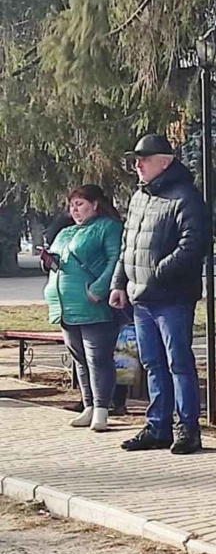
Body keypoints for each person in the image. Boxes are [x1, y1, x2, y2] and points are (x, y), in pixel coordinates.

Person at [113, 134, 209, 455]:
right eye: (135, 159)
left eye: (144, 159)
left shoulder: (185, 198)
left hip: (172, 297)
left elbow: (194, 245)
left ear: (164, 162)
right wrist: (118, 283)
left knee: (178, 363)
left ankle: (188, 429)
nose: (137, 165)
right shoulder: (139, 197)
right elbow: (128, 245)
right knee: (153, 364)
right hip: (141, 298)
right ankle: (158, 426)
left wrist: (156, 272)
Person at [42, 185, 124, 432]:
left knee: (97, 358)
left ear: (95, 204)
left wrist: (99, 289)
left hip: (93, 305)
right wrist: (48, 262)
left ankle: (102, 409)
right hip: (66, 307)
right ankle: (88, 405)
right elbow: (59, 263)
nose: (75, 210)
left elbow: (116, 259)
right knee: (79, 359)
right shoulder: (66, 232)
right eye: (72, 205)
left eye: (80, 204)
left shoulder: (108, 228)